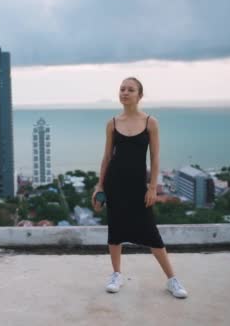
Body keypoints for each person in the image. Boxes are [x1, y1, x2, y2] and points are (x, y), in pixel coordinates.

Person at [92, 77, 188, 299]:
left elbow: (155, 158)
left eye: (130, 89)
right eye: (122, 89)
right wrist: (99, 185)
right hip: (114, 183)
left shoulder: (150, 122)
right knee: (115, 230)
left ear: (139, 95)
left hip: (138, 185)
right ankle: (116, 274)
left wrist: (152, 187)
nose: (125, 92)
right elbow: (107, 157)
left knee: (150, 232)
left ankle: (172, 280)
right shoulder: (112, 123)